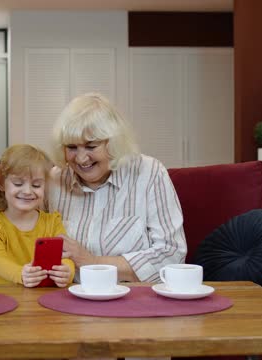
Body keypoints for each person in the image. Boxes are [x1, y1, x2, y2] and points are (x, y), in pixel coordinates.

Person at [48, 93, 187, 283]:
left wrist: (92, 262)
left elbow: (172, 254)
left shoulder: (149, 172)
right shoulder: (53, 180)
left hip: (133, 302)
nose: (80, 159)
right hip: (66, 299)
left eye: (91, 146)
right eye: (72, 147)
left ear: (113, 142)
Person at [0, 144, 75, 287]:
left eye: (36, 185)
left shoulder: (53, 222)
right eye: (18, 183)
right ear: (1, 183)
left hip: (42, 295)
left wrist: (67, 270)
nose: (27, 191)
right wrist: (21, 274)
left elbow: (65, 256)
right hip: (4, 293)